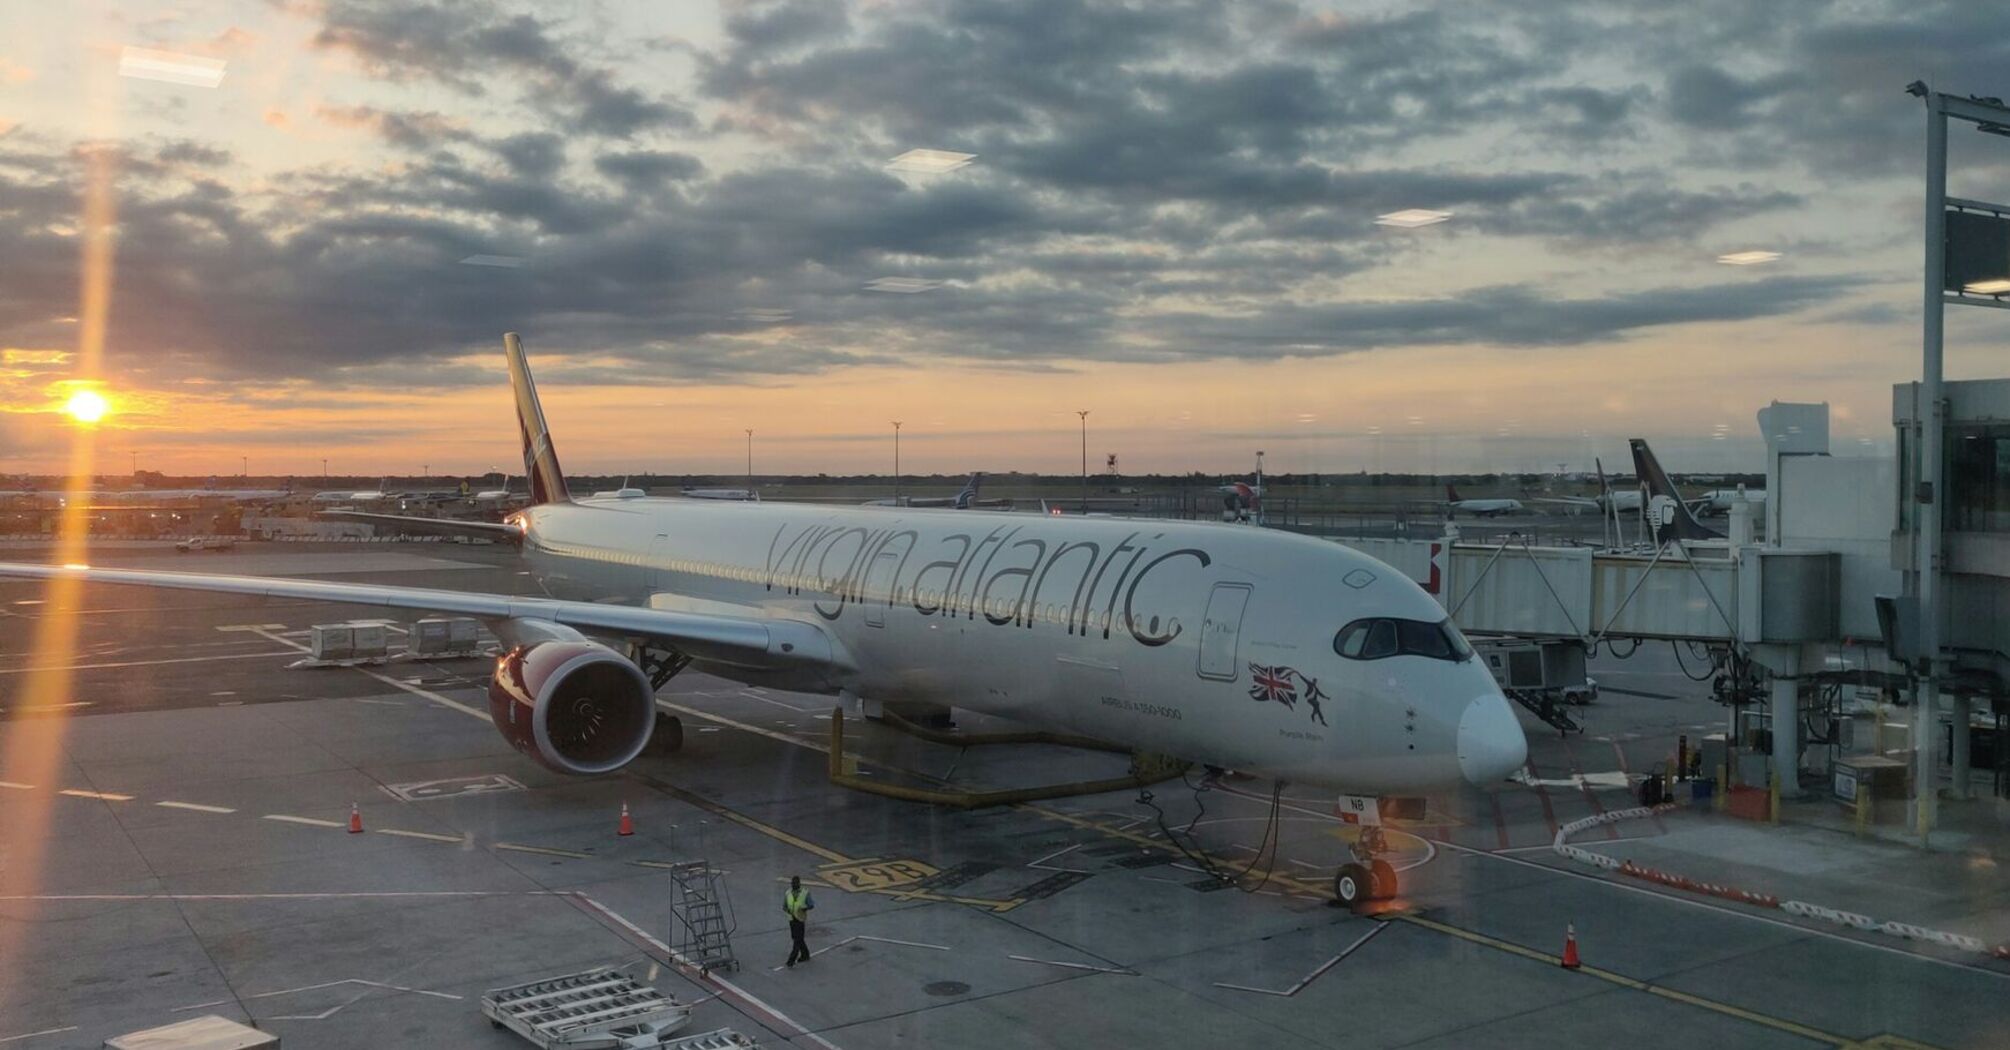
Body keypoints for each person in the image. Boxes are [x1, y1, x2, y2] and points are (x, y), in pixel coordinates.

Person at [783, 876, 814, 967]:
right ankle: (805, 954)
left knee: (797, 940)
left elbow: (811, 905)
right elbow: (784, 906)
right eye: (792, 884)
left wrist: (805, 908)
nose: (793, 885)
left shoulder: (805, 893)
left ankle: (791, 960)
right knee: (797, 938)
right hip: (791, 919)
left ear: (799, 884)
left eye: (795, 884)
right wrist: (787, 910)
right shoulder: (788, 893)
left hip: (800, 919)